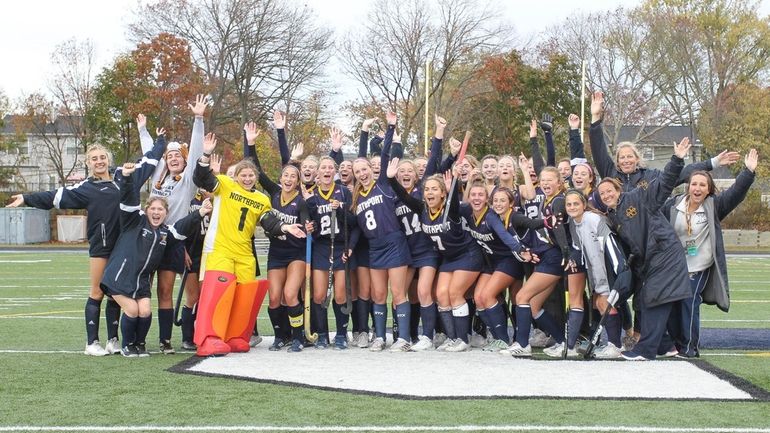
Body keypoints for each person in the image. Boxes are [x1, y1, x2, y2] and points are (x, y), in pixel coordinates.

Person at [8, 132, 165, 356]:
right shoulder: (85, 188)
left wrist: (160, 142)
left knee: (118, 292)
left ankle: (113, 340)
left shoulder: (124, 176)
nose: (99, 161)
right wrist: (27, 198)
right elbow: (55, 196)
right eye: (94, 158)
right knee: (97, 292)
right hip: (102, 246)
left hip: (126, 247)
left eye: (103, 157)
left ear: (108, 159)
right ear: (88, 163)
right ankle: (92, 343)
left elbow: (149, 161)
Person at [192, 133, 305, 357]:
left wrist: (285, 227)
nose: (247, 178)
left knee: (244, 297)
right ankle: (209, 337)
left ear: (256, 177)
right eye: (243, 174)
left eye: (251, 175)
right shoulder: (225, 185)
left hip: (244, 253)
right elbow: (202, 178)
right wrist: (205, 154)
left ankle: (236, 336)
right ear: (237, 177)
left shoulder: (262, 199)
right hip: (222, 249)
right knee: (218, 293)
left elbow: (269, 222)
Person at [597, 136, 693, 360]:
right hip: (650, 262)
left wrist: (677, 159)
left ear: (618, 189)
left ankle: (646, 349)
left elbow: (664, 183)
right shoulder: (613, 217)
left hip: (665, 254)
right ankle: (666, 346)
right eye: (602, 194)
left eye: (610, 191)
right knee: (653, 299)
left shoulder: (638, 197)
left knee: (651, 298)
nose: (607, 195)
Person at [101, 162, 209, 357]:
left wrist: (200, 213)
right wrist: (126, 178)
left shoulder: (164, 233)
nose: (157, 212)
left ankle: (139, 344)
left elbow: (182, 227)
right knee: (132, 310)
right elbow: (128, 201)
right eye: (154, 209)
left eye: (161, 210)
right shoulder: (134, 222)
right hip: (119, 277)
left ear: (166, 214)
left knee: (145, 311)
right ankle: (127, 344)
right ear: (147, 209)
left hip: (140, 282)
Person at [663, 149, 758, 358]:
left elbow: (735, 193)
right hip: (675, 265)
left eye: (702, 185)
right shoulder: (673, 205)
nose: (697, 188)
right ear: (688, 186)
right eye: (694, 184)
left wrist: (748, 172)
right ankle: (674, 343)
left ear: (708, 189)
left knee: (689, 299)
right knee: (670, 303)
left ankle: (689, 348)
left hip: (699, 264)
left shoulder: (713, 206)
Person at [138, 95, 209, 354]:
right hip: (152, 240)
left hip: (177, 241)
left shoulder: (188, 179)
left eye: (177, 155)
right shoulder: (159, 178)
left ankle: (173, 340)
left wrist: (198, 119)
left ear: (184, 158)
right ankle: (149, 338)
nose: (172, 159)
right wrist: (143, 130)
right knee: (154, 290)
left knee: (178, 291)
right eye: (169, 157)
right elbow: (151, 155)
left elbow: (197, 152)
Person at [243, 121, 310, 352]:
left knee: (291, 295)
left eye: (294, 175)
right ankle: (280, 336)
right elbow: (256, 171)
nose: (289, 178)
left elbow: (304, 224)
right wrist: (250, 144)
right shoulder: (273, 193)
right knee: (274, 299)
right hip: (277, 253)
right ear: (281, 178)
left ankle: (298, 337)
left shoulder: (301, 201)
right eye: (286, 175)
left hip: (296, 254)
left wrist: (306, 227)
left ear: (298, 180)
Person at [350, 112, 413, 352]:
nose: (362, 173)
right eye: (358, 172)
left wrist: (390, 126)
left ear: (370, 168)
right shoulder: (357, 197)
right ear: (355, 176)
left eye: (364, 168)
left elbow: (385, 153)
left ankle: (404, 339)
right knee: (378, 294)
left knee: (398, 293)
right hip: (375, 248)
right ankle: (379, 336)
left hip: (394, 243)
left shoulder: (384, 185)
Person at [465, 182, 542, 352]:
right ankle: (496, 335)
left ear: (486, 200)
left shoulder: (491, 216)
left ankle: (503, 339)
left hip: (508, 260)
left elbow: (505, 236)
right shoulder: (467, 212)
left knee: (488, 295)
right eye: (473, 195)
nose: (477, 198)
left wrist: (520, 250)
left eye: (481, 195)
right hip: (490, 263)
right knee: (478, 298)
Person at [563, 189, 630, 359]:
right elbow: (579, 249)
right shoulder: (573, 223)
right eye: (569, 204)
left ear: (584, 205)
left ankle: (615, 346)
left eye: (576, 203)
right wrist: (572, 258)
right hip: (595, 273)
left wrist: (618, 271)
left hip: (608, 270)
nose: (572, 207)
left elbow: (610, 243)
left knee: (604, 303)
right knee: (601, 304)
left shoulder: (593, 219)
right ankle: (613, 344)